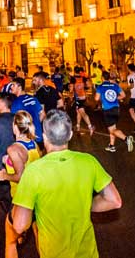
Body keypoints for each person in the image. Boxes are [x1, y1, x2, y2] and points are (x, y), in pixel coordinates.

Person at [10, 110, 122, 258]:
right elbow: (114, 201)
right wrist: (85, 205)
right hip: (87, 252)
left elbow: (19, 225)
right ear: (69, 135)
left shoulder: (33, 171)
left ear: (44, 137)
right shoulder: (89, 161)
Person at [0, 111, 41, 258]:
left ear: (15, 127)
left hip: (21, 200)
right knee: (39, 238)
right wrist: (8, 161)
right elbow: (32, 165)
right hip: (37, 199)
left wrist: (4, 175)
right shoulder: (34, 144)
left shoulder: (13, 149)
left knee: (10, 241)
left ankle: (21, 232)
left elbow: (20, 176)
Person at [95, 71, 134, 153]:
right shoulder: (115, 85)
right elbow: (123, 95)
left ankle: (126, 139)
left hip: (107, 110)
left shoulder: (100, 86)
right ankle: (112, 146)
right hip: (116, 109)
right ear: (109, 77)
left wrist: (103, 98)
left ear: (102, 78)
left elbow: (96, 98)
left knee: (112, 130)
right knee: (113, 128)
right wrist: (115, 98)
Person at [9, 77, 45, 148]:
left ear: (19, 87)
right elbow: (43, 114)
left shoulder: (16, 103)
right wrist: (35, 124)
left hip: (26, 140)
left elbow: (14, 121)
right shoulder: (33, 98)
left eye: (13, 85)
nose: (11, 87)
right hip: (38, 136)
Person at [69, 66, 93, 134]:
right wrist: (84, 87)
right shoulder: (83, 78)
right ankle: (78, 127)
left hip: (77, 98)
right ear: (80, 72)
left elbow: (71, 89)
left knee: (82, 112)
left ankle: (90, 127)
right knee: (78, 112)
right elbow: (89, 85)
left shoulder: (73, 79)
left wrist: (71, 94)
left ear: (74, 71)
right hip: (83, 97)